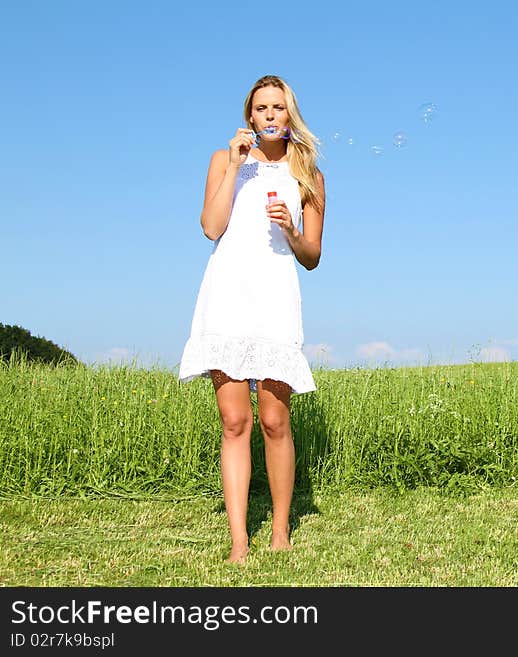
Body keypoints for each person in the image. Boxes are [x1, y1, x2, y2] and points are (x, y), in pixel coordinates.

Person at [177, 74, 325, 563]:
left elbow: (312, 255)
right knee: (234, 419)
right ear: (249, 116)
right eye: (260, 108)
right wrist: (236, 164)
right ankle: (239, 539)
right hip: (226, 296)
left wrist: (291, 229)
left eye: (278, 108)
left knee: (274, 419)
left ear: (290, 115)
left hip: (275, 298)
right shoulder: (225, 161)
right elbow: (210, 226)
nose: (269, 115)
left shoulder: (308, 173)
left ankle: (280, 528)